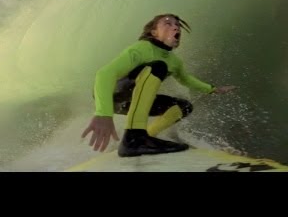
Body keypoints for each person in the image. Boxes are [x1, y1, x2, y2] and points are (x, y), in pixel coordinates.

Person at [81, 13, 237, 157]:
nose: (176, 27)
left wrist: (212, 89)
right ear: (154, 32)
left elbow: (186, 79)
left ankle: (147, 136)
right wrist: (103, 113)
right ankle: (134, 138)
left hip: (133, 101)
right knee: (158, 67)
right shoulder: (142, 48)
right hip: (113, 95)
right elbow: (104, 74)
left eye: (177, 25)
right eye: (167, 24)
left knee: (183, 107)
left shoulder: (174, 61)